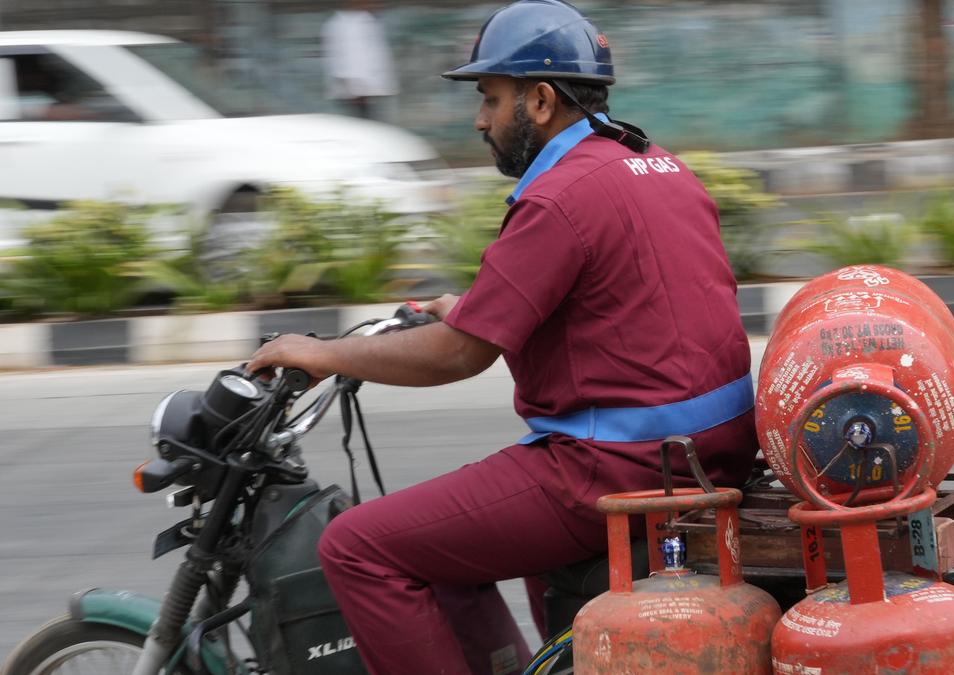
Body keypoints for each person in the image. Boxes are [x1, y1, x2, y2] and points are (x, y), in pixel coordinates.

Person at [247, 1, 758, 672]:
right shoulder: (658, 166)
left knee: (357, 546)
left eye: (491, 98)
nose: (480, 119)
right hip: (706, 451)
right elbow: (617, 302)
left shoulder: (558, 198)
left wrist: (320, 354)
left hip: (616, 467)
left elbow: (459, 352)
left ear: (541, 100)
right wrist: (472, 306)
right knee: (450, 546)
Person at [321, 0, 398, 120]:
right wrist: (355, 91)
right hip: (358, 95)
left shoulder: (368, 21)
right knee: (365, 130)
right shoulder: (341, 25)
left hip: (371, 92)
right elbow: (344, 61)